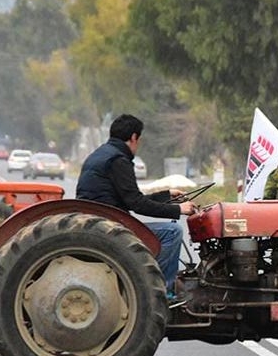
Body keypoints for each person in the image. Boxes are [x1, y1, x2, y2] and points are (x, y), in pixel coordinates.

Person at [76, 114, 197, 298]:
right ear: (133, 137)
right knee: (172, 231)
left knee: (168, 230)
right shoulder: (119, 160)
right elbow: (137, 204)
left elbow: (128, 197)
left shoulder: (102, 154)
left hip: (98, 221)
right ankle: (161, 293)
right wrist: (179, 209)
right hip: (109, 226)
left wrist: (166, 195)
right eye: (138, 140)